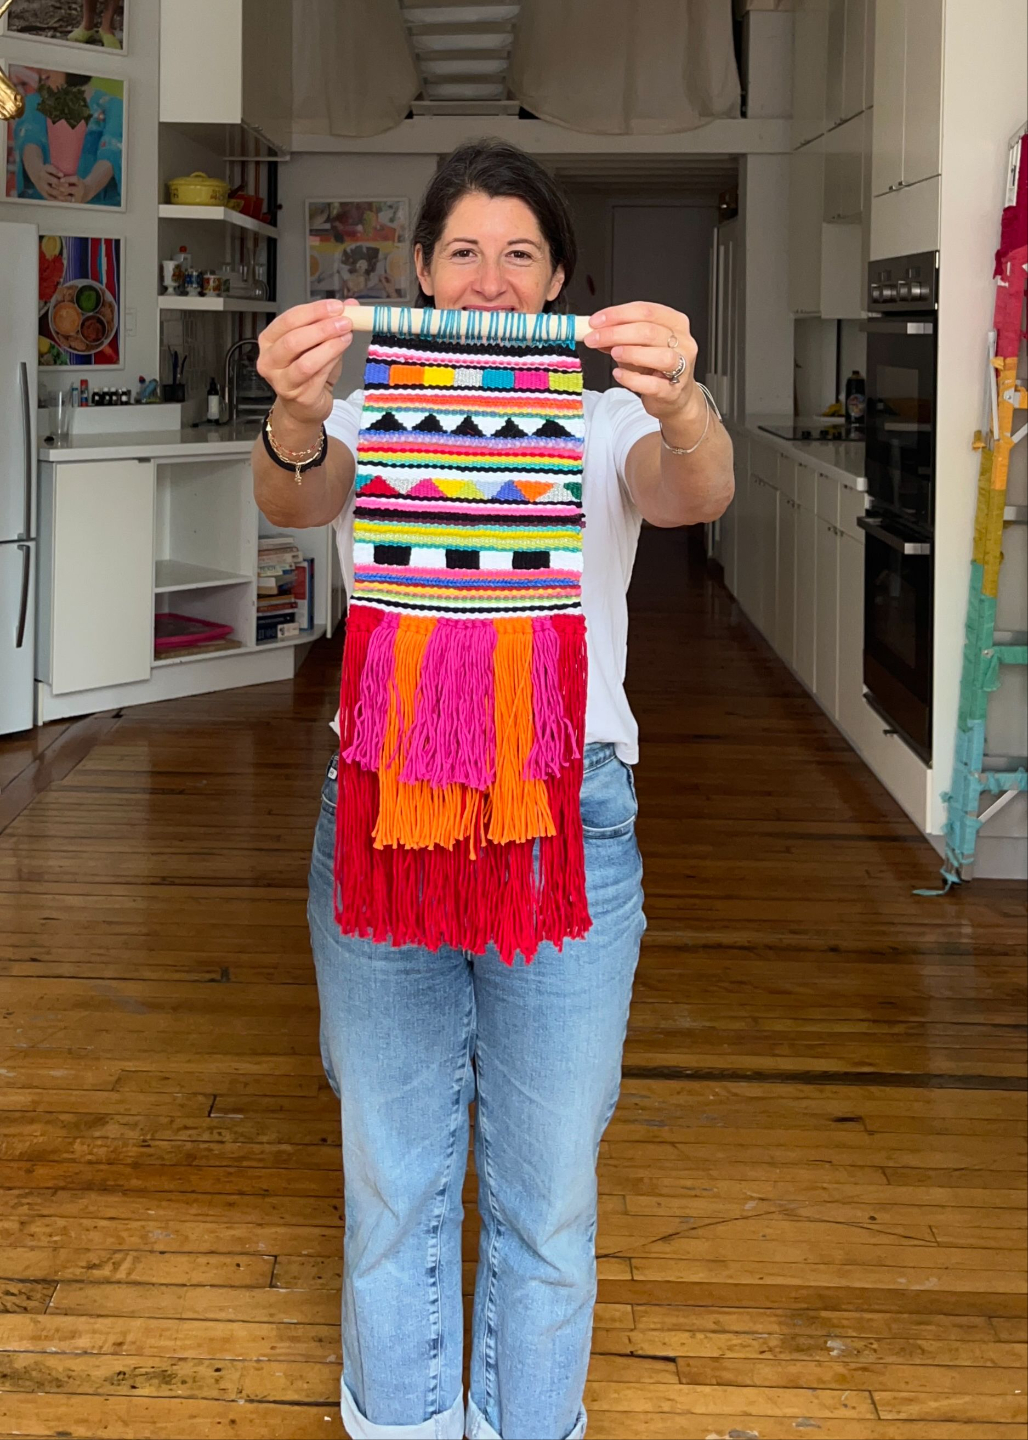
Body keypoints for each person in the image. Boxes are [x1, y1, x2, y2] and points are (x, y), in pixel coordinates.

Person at [252, 139, 733, 1440]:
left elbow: (693, 491)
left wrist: (684, 401)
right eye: (463, 248)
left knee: (549, 1190)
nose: (491, 275)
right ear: (418, 270)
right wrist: (295, 416)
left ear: (558, 278)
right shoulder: (362, 415)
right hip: (386, 816)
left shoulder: (609, 418)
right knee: (395, 1182)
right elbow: (294, 501)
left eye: (522, 252)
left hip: (564, 822)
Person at [13, 69, 122, 206]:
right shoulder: (33, 103)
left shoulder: (114, 106)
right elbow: (29, 138)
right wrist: (38, 174)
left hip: (97, 214)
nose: (43, 73)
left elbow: (112, 151)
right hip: (41, 212)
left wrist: (88, 188)